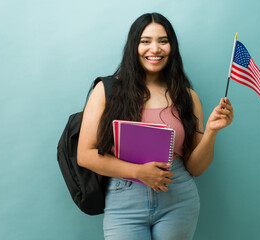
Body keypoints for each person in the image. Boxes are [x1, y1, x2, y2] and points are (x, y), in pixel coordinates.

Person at [77, 12, 234, 240]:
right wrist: (139, 172)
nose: (155, 49)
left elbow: (196, 168)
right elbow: (85, 155)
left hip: (178, 196)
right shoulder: (106, 90)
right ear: (134, 46)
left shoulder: (188, 97)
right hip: (125, 198)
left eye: (163, 41)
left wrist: (211, 132)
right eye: (145, 41)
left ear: (172, 47)